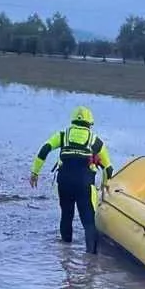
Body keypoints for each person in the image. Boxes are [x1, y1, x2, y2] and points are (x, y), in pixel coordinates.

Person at [30, 106, 114, 254]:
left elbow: (44, 149)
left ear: (73, 121)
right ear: (90, 124)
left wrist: (35, 172)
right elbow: (108, 169)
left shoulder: (63, 135)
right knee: (88, 221)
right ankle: (91, 261)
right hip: (84, 184)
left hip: (65, 182)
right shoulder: (95, 141)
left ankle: (65, 254)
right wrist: (105, 184)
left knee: (66, 215)